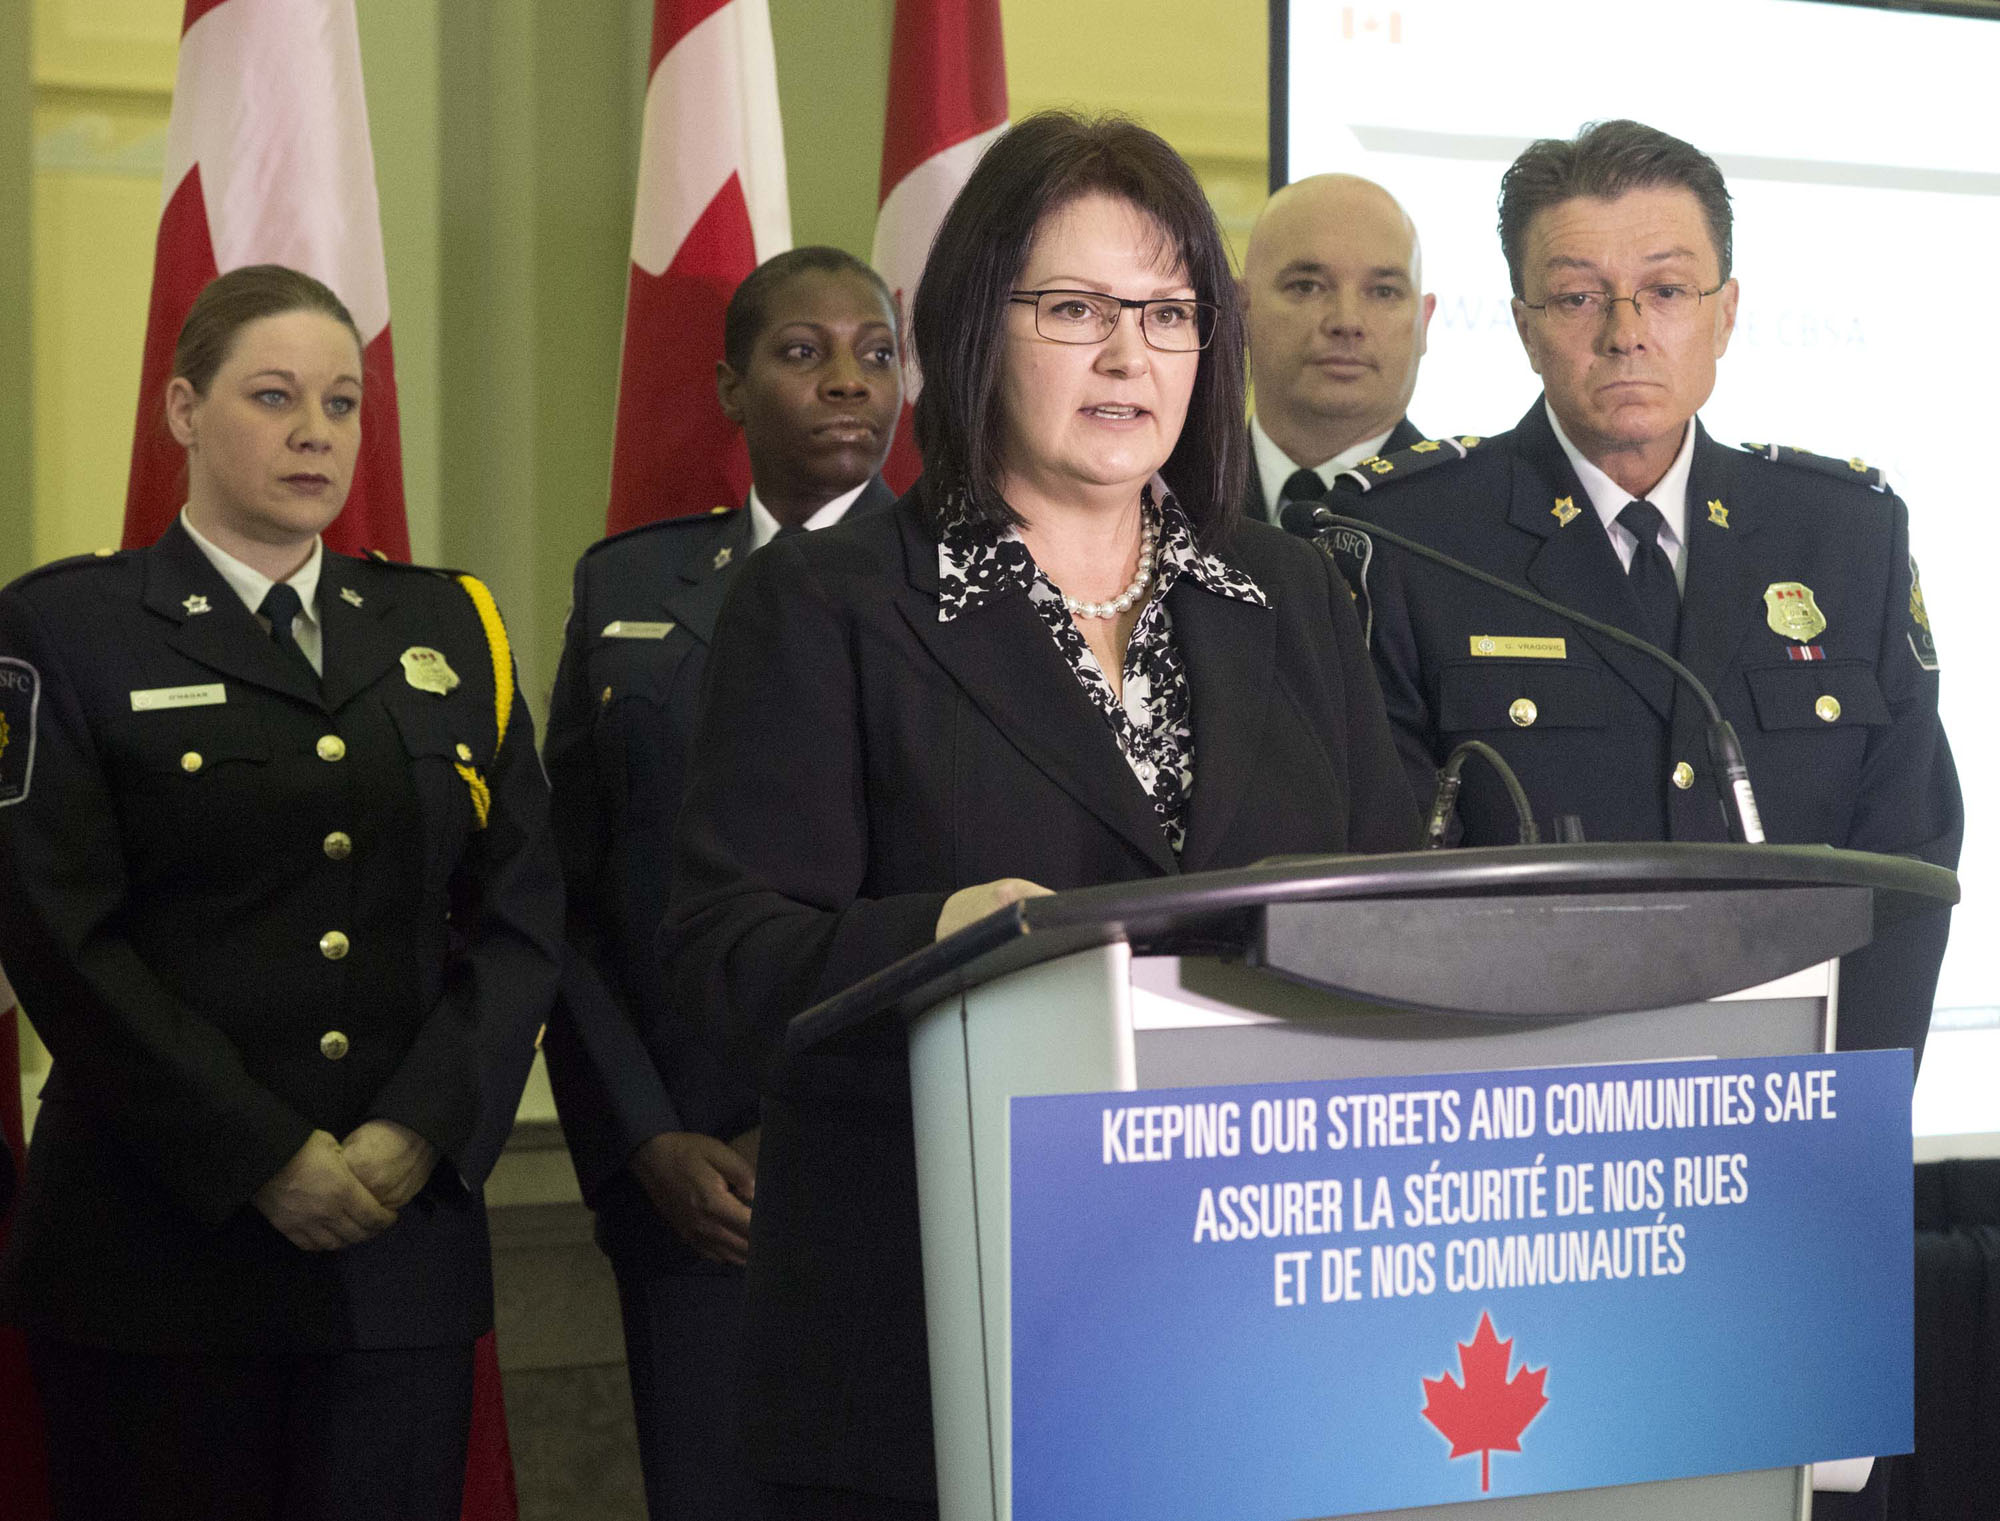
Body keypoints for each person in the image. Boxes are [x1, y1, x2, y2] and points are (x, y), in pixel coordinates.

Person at [662, 111, 1419, 1518]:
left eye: (1168, 314)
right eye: (1075, 309)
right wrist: (947, 938)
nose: (1130, 356)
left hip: (1260, 1342)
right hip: (943, 1346)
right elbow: (721, 957)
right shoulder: (829, 603)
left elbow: (1386, 910)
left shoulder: (1289, 595)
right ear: (969, 328)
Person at [0, 265, 563, 1520]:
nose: (316, 431)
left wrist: (420, 1128)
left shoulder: (447, 628)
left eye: (341, 402)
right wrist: (259, 1153)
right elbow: (58, 937)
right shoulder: (65, 629)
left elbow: (522, 912)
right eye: (273, 396)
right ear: (183, 410)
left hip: (396, 1250)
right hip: (157, 1257)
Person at [1338, 120, 1960, 1070]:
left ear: (1725, 313)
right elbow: (1389, 896)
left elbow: (1910, 865)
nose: (1625, 332)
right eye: (1578, 296)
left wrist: (1848, 1106)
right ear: (1525, 327)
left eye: (1667, 291)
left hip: (1793, 1110)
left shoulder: (1847, 537)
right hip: (1526, 1112)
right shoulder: (1414, 543)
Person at [540, 245, 903, 1521]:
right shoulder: (626, 584)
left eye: (876, 353)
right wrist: (645, 1139)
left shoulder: (972, 584)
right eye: (803, 354)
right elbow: (567, 897)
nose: (847, 381)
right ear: (730, 388)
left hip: (888, 1165)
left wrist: (796, 1128)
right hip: (689, 1185)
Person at [1242, 173, 1435, 523]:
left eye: (1384, 292)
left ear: (1425, 320)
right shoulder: (1163, 497)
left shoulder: (1479, 520)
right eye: (1307, 286)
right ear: (1240, 309)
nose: (1347, 322)